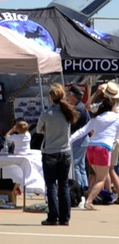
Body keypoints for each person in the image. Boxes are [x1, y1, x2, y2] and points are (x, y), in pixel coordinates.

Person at [34, 84, 77, 227]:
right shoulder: (68, 112)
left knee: (51, 185)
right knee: (63, 185)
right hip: (65, 151)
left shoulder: (47, 113)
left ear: (51, 98)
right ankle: (65, 218)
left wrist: (48, 130)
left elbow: (39, 130)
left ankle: (53, 216)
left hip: (50, 152)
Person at [85, 82, 119, 207]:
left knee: (106, 171)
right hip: (112, 141)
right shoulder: (112, 107)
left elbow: (87, 107)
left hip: (105, 142)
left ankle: (104, 193)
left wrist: (95, 94)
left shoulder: (102, 107)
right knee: (108, 170)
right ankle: (105, 193)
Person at [67, 85, 91, 204]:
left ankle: (80, 189)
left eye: (69, 95)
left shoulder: (78, 109)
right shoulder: (81, 107)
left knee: (76, 165)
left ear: (73, 97)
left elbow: (73, 126)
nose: (67, 96)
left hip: (78, 139)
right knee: (80, 165)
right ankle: (85, 188)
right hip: (82, 139)